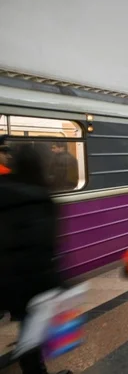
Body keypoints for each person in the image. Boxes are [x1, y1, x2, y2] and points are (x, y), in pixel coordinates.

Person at [0, 144, 73, 374]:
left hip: (4, 277)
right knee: (30, 329)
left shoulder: (3, 189)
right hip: (29, 279)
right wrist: (57, 282)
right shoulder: (40, 198)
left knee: (26, 325)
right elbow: (42, 248)